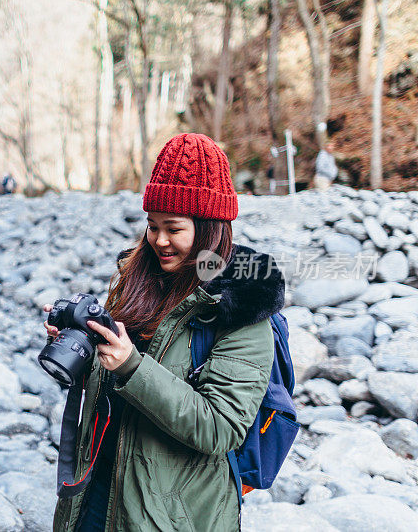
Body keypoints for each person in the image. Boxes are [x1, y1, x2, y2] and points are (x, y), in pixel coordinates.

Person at [46, 133, 284, 531]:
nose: (159, 240)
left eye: (173, 228)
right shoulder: (136, 280)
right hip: (95, 494)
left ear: (209, 227)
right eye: (152, 226)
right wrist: (80, 346)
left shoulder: (242, 310)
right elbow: (113, 379)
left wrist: (131, 367)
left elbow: (220, 428)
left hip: (173, 515)